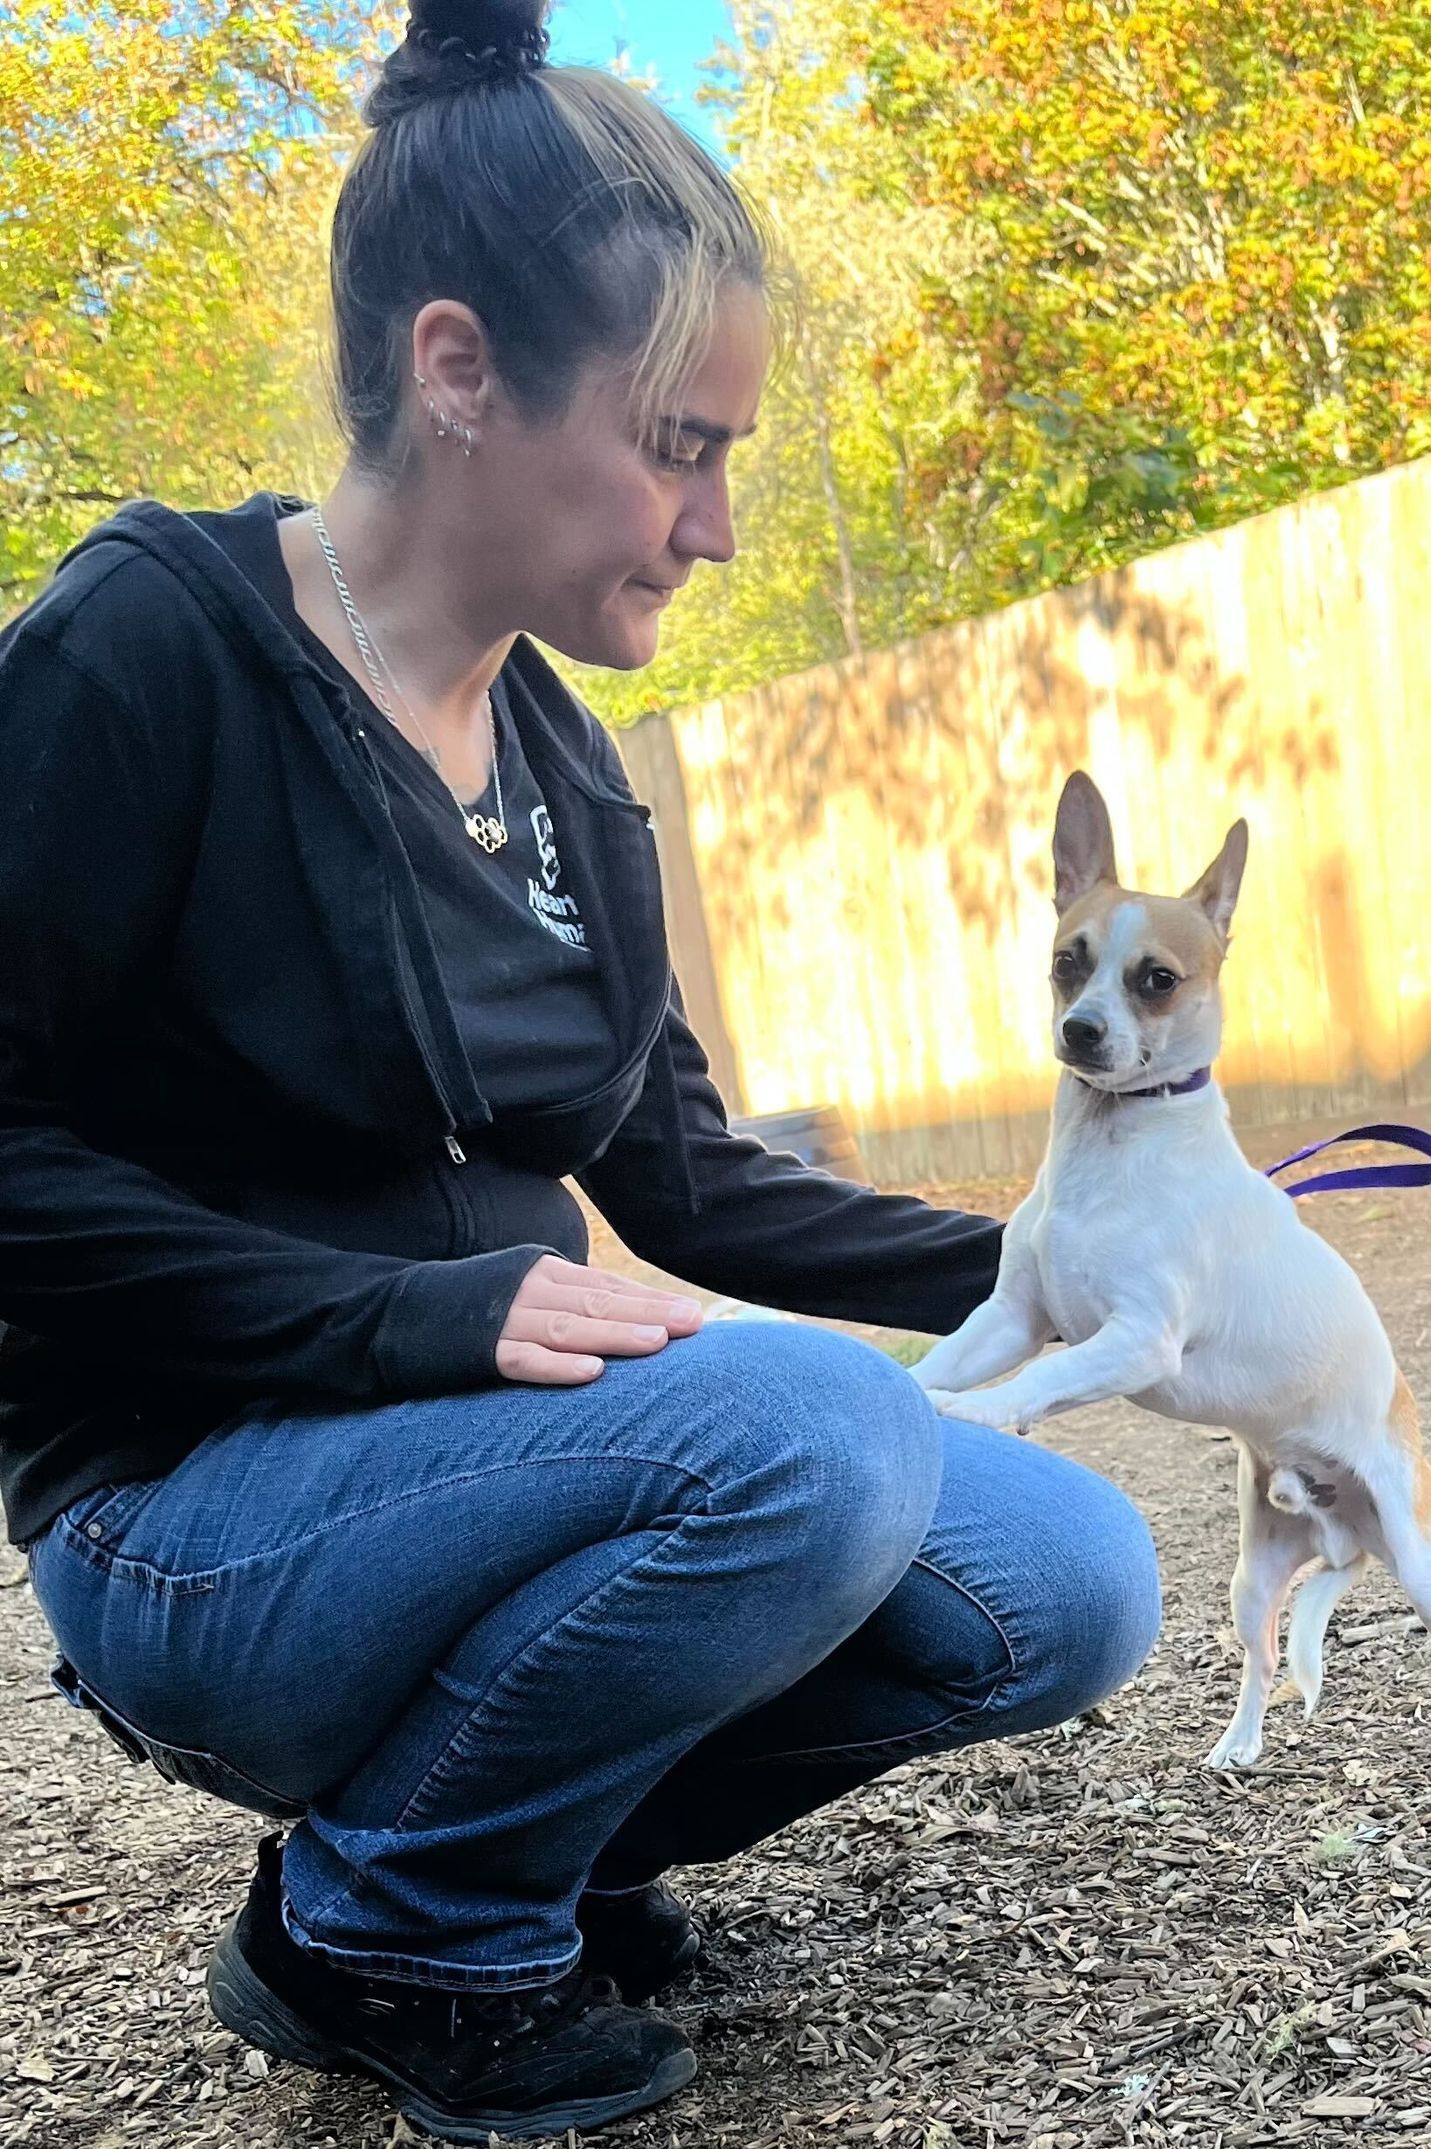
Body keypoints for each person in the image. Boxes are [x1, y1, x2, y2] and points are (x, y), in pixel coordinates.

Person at [0, 3, 1162, 2139]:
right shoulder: (144, 650)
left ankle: (500, 1840)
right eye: (681, 443)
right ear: (460, 371)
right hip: (191, 1510)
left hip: (482, 1470)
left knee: (1073, 1588)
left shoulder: (568, 771)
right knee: (806, 1441)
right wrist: (413, 1310)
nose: (711, 520)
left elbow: (693, 1188)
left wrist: (1048, 1262)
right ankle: (389, 1927)